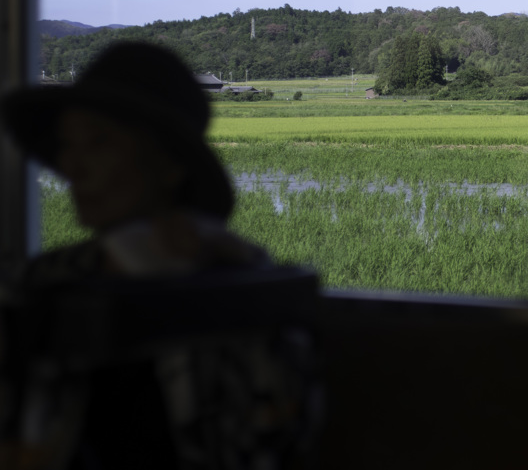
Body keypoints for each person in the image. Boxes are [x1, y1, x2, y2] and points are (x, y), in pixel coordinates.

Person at [0, 42, 317, 470]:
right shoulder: (44, 280)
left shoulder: (244, 286)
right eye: (66, 144)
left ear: (170, 165)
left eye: (98, 140)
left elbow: (271, 436)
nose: (74, 166)